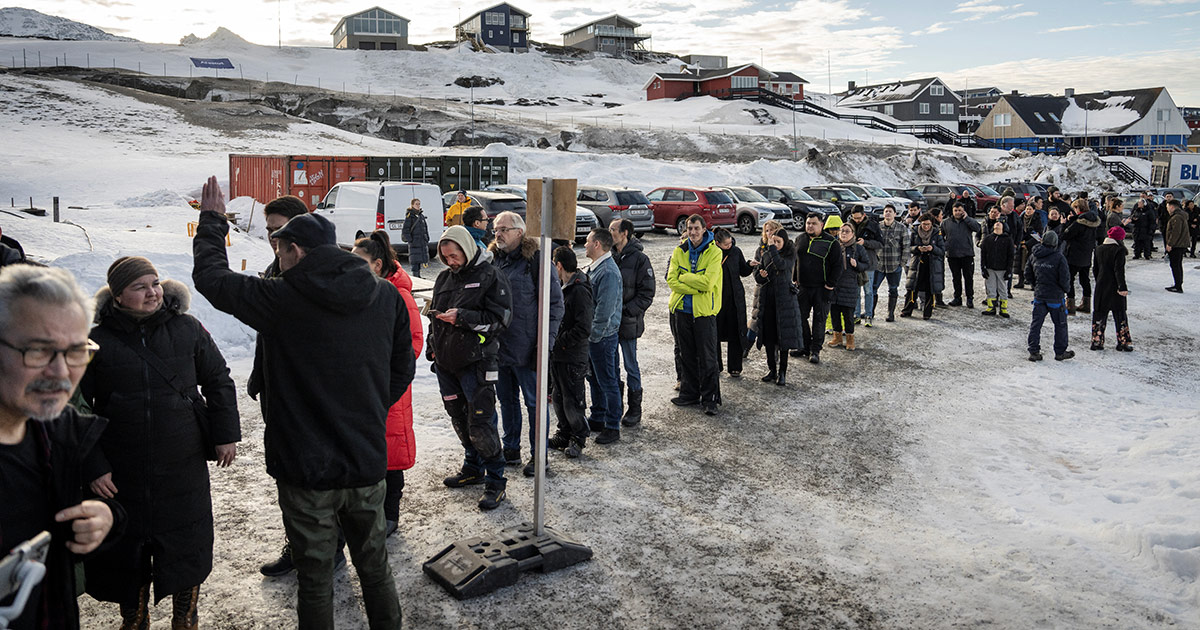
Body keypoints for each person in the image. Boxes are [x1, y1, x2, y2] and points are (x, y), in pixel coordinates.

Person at [193, 177, 411, 628]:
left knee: (314, 578)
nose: (278, 258)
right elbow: (402, 369)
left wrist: (212, 221)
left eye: (279, 249)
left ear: (295, 250)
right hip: (366, 461)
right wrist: (368, 409)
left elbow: (211, 279)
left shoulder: (282, 298)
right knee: (375, 570)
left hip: (305, 466)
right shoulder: (384, 294)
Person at [79, 257, 239, 630]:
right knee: (125, 547)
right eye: (140, 286)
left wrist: (225, 434)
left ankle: (186, 615)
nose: (153, 292)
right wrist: (92, 464)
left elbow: (218, 380)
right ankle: (134, 617)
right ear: (118, 295)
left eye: (154, 283)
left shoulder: (187, 329)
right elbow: (77, 408)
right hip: (121, 466)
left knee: (187, 541)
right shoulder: (95, 342)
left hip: (181, 458)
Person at [0, 265, 124, 630]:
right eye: (38, 351)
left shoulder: (58, 431)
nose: (61, 372)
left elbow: (92, 516)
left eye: (76, 351)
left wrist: (106, 518)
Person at [425, 225, 511, 512]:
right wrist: (432, 346)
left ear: (466, 248)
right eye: (445, 256)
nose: (451, 261)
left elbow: (500, 320)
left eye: (454, 255)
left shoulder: (490, 275)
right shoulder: (443, 279)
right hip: (446, 364)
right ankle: (472, 466)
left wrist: (462, 317)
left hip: (477, 362)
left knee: (481, 421)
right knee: (458, 418)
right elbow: (434, 316)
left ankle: (496, 479)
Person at [352, 232, 423, 536]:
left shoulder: (399, 294)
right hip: (365, 385)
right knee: (370, 449)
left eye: (360, 263)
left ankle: (390, 514)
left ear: (377, 265)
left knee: (391, 451)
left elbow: (414, 343)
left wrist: (383, 368)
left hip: (390, 385)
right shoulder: (360, 290)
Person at [488, 212, 563, 474]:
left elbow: (555, 304)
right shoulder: (493, 260)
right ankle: (511, 448)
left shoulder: (537, 261)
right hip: (498, 348)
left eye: (504, 229)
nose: (497, 234)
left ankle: (538, 456)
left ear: (519, 232)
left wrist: (545, 345)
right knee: (506, 401)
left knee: (534, 404)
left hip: (528, 348)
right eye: (495, 229)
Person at [667, 215, 723, 414]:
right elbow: (671, 280)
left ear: (704, 229)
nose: (692, 232)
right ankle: (690, 394)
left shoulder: (715, 252)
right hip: (682, 310)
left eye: (696, 228)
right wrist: (695, 286)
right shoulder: (679, 250)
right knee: (686, 355)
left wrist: (685, 278)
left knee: (708, 357)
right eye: (689, 228)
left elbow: (708, 283)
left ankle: (710, 399)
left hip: (704, 312)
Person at [547, 246, 593, 459]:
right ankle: (563, 433)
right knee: (558, 396)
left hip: (572, 355)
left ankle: (578, 437)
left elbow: (583, 328)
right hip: (559, 354)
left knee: (573, 399)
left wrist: (559, 341)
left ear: (559, 265)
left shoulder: (579, 290)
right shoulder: (562, 286)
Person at [609, 219, 655, 426]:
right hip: (609, 323)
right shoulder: (609, 255)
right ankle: (615, 406)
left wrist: (627, 311)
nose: (609, 233)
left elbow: (647, 293)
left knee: (631, 365)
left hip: (628, 322)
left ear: (624, 233)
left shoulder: (640, 259)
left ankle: (635, 409)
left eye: (613, 230)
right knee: (611, 365)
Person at [584, 227, 624, 440]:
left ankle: (612, 425)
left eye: (588, 241)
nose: (585, 244)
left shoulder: (607, 272)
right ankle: (598, 416)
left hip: (602, 336)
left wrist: (594, 335)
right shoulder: (597, 267)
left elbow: (604, 311)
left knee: (607, 379)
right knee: (594, 378)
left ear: (597, 244)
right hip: (596, 336)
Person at [791, 213, 842, 364]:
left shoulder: (831, 242)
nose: (810, 226)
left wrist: (830, 285)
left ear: (821, 224)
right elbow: (796, 260)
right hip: (803, 287)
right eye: (808, 223)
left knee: (819, 320)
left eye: (813, 223)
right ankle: (804, 347)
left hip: (822, 288)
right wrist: (794, 278)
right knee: (800, 317)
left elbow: (838, 266)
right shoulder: (800, 239)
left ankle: (815, 350)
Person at [753, 226, 801, 385]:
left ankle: (782, 373)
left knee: (783, 340)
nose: (775, 244)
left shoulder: (790, 253)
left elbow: (781, 266)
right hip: (768, 301)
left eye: (778, 241)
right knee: (769, 338)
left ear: (784, 241)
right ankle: (772, 370)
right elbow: (758, 275)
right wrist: (760, 275)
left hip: (785, 302)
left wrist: (772, 248)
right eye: (773, 241)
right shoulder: (766, 253)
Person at [1027, 231, 1074, 362]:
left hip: (1040, 295)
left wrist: (1035, 286)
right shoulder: (1059, 258)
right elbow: (1065, 278)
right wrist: (1065, 290)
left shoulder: (1034, 255)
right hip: (1055, 297)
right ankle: (1060, 351)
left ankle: (1033, 351)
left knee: (1036, 324)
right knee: (1060, 325)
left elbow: (1027, 273)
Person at [713, 228, 751, 376]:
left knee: (736, 332)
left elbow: (743, 270)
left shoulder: (736, 251)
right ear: (717, 243)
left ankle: (735, 367)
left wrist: (750, 265)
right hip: (717, 299)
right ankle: (716, 364)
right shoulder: (712, 253)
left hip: (735, 299)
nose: (730, 246)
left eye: (730, 243)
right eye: (726, 244)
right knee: (714, 333)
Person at [1091, 226, 1132, 351]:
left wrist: (1099, 280)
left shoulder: (1098, 249)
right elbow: (1119, 271)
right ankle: (1123, 342)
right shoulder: (1118, 250)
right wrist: (1122, 287)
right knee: (1120, 314)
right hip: (1115, 287)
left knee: (1099, 313)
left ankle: (1097, 342)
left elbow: (1095, 269)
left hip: (1102, 286)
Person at [829, 224, 867, 351]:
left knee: (848, 316)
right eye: (841, 231)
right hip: (835, 285)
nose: (843, 233)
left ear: (853, 234)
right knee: (834, 314)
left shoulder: (858, 249)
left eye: (847, 231)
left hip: (850, 286)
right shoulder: (834, 246)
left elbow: (867, 264)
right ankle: (837, 337)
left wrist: (857, 265)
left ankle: (850, 339)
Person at [900, 214, 945, 320]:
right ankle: (907, 310)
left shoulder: (937, 233)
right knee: (912, 288)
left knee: (930, 289)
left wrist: (932, 248)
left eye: (928, 224)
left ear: (932, 224)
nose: (926, 227)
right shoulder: (915, 232)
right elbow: (908, 247)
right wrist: (918, 248)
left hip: (932, 264)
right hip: (917, 263)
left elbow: (942, 250)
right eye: (924, 224)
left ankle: (927, 313)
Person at [1061, 198, 1101, 314]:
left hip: (1074, 254)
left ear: (1078, 208)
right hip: (1087, 254)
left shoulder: (1079, 223)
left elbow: (1065, 235)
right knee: (1085, 279)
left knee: (1070, 279)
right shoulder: (1093, 221)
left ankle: (1070, 305)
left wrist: (1064, 224)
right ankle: (1087, 304)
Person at [941, 202, 981, 308]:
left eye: (960, 210)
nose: (958, 212)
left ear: (963, 211)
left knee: (968, 278)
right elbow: (941, 237)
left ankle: (969, 298)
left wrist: (967, 218)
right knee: (956, 278)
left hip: (967, 254)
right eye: (956, 210)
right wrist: (946, 246)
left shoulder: (968, 221)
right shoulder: (946, 222)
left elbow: (978, 228)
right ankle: (957, 298)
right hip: (952, 254)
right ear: (952, 211)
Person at [873, 205, 909, 323]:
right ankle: (870, 312)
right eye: (886, 211)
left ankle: (890, 313)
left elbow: (906, 247)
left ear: (895, 214)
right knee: (873, 288)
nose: (888, 213)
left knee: (893, 289)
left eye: (890, 211)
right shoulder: (877, 227)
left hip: (894, 265)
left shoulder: (901, 228)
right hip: (879, 264)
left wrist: (902, 263)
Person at [847, 207, 882, 325]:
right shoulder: (848, 226)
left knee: (868, 291)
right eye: (854, 218)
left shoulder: (873, 226)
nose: (856, 220)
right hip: (853, 263)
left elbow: (880, 243)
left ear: (864, 215)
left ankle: (868, 315)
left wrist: (865, 243)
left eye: (858, 218)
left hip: (869, 263)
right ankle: (856, 314)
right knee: (855, 291)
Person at [978, 220, 1014, 318]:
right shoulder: (988, 239)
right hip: (990, 268)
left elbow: (1011, 256)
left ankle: (1003, 309)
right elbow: (983, 254)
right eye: (996, 223)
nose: (997, 223)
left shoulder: (1007, 240)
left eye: (1000, 223)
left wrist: (1009, 269)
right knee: (991, 288)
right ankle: (991, 307)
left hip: (1002, 269)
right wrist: (983, 268)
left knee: (1003, 289)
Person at [1016, 198, 1046, 289]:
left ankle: (1033, 283)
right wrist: (1021, 242)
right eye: (1027, 209)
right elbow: (1018, 231)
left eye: (1030, 209)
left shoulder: (1037, 219)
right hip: (1021, 244)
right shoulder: (1021, 219)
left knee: (1032, 265)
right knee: (1020, 264)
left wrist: (1027, 243)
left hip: (1032, 245)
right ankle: (1020, 281)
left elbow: (1038, 234)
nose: (1028, 211)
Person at [1164, 199, 1190, 293]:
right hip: (1180, 244)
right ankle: (1178, 284)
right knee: (1177, 265)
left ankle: (1178, 286)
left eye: (1167, 207)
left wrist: (1170, 244)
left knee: (1175, 265)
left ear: (1172, 207)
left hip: (1177, 245)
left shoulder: (1177, 217)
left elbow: (1175, 232)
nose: (1167, 209)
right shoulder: (1179, 216)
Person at [400, 197, 430, 278]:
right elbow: (405, 229)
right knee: (415, 261)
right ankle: (415, 276)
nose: (418, 205)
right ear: (412, 205)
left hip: (421, 241)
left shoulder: (421, 215)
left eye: (419, 204)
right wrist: (411, 240)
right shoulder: (410, 216)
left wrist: (426, 237)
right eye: (416, 204)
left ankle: (418, 275)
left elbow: (425, 228)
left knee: (420, 259)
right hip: (414, 242)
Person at [1129, 196, 1157, 260]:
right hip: (1137, 229)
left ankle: (1147, 255)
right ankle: (1137, 254)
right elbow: (1132, 217)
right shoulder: (1136, 210)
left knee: (1146, 243)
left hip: (1145, 229)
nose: (1139, 204)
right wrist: (1133, 219)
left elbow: (1152, 221)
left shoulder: (1149, 211)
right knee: (1137, 243)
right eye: (1138, 203)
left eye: (1140, 203)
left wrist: (1151, 230)